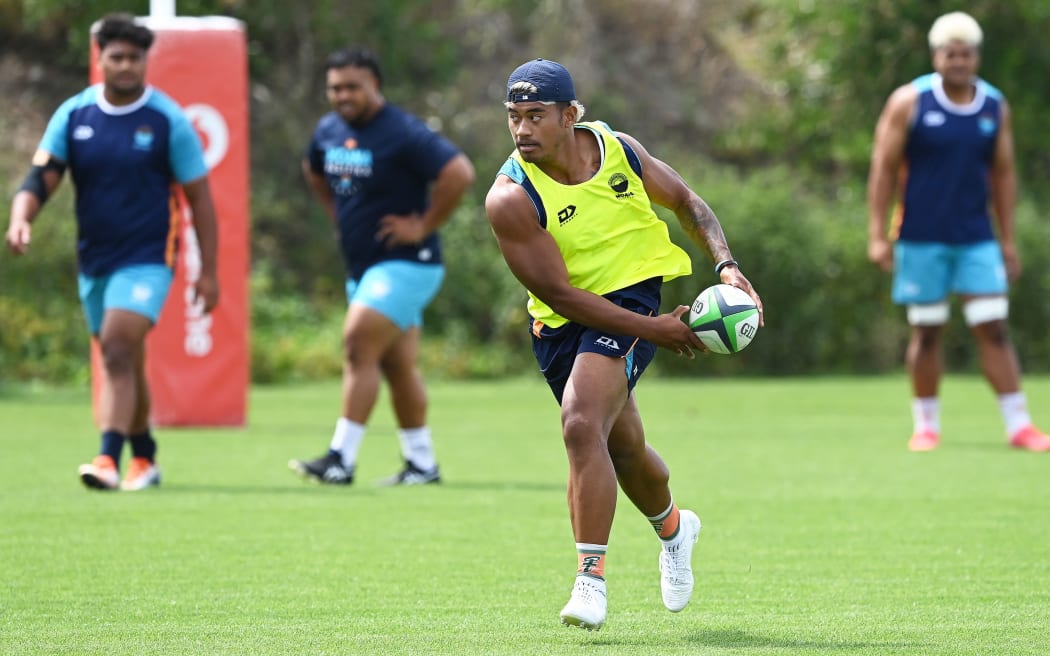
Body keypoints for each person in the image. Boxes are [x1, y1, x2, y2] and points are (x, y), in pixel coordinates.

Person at [484, 59, 763, 630]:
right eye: (514, 117)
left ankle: (590, 581)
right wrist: (658, 330)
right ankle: (675, 530)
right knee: (623, 449)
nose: (522, 130)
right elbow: (561, 296)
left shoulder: (621, 152)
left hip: (633, 295)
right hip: (563, 324)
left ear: (569, 115)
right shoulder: (509, 197)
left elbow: (687, 202)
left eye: (536, 116)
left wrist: (727, 266)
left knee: (581, 423)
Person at [4, 13, 220, 490]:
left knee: (119, 348)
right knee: (124, 358)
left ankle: (107, 459)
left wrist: (209, 272)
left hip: (148, 255)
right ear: (99, 58)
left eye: (134, 58)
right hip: (95, 259)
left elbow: (200, 200)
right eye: (116, 56)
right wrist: (22, 218)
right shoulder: (75, 115)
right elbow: (41, 177)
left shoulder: (166, 120)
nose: (125, 66)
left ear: (146, 62)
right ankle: (145, 456)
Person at [289, 47, 475, 486]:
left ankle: (341, 458)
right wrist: (338, 216)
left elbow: (459, 172)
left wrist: (424, 224)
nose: (343, 95)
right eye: (335, 88)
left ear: (375, 86)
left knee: (357, 342)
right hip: (365, 267)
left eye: (352, 86)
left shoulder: (403, 131)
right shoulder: (329, 129)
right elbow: (313, 168)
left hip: (409, 263)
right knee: (395, 364)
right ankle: (422, 464)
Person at [867, 11, 1049, 453]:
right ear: (937, 56)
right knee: (927, 330)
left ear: (977, 57)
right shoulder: (910, 102)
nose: (959, 62)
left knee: (994, 327)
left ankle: (1020, 426)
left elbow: (1004, 175)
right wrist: (877, 232)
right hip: (920, 237)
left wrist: (1008, 240)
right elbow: (883, 168)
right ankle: (926, 426)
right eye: (951, 54)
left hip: (977, 238)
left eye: (967, 54)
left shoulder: (993, 105)